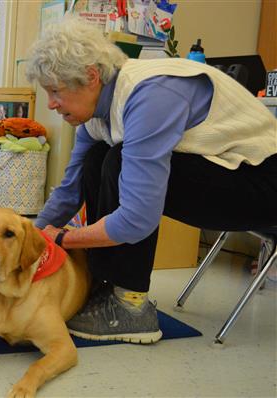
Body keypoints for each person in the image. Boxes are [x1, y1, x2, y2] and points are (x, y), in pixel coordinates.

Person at [25, 19, 277, 344]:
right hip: (231, 177)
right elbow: (71, 188)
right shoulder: (96, 113)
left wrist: (62, 240)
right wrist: (26, 241)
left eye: (56, 90)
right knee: (97, 158)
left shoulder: (150, 94)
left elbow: (137, 218)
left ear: (91, 76)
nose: (50, 103)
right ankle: (104, 287)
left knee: (117, 160)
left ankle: (131, 307)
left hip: (266, 186)